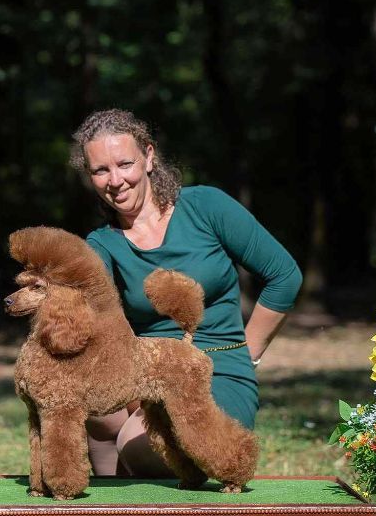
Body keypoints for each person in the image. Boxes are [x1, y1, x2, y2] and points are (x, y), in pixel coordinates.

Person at [69, 109, 302, 477]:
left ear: (148, 157)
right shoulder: (100, 244)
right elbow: (97, 330)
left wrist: (247, 353)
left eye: (125, 164)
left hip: (217, 371)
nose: (116, 180)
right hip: (146, 377)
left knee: (139, 445)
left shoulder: (205, 206)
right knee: (93, 408)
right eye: (101, 171)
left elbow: (284, 276)